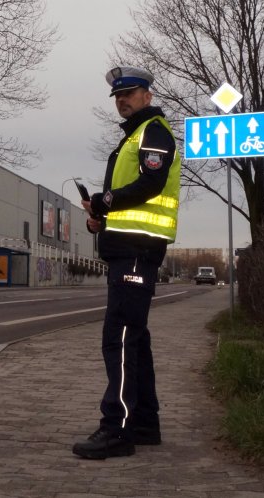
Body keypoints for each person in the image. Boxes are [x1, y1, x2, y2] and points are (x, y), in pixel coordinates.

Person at [72, 65, 181, 460]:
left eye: (131, 93)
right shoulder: (135, 136)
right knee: (134, 338)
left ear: (147, 96)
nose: (123, 100)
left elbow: (151, 184)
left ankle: (117, 429)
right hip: (127, 247)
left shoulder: (153, 132)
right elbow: (131, 198)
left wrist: (104, 201)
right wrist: (101, 218)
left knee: (118, 338)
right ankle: (144, 424)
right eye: (119, 95)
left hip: (137, 250)